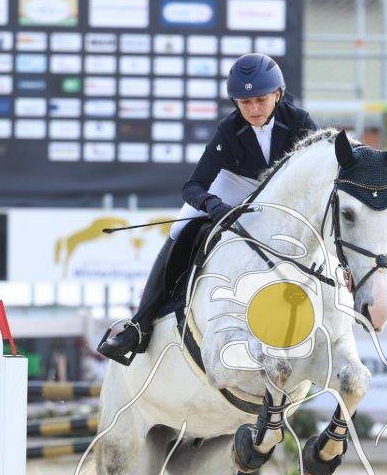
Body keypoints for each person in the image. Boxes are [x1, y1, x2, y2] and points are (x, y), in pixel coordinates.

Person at [97, 53, 319, 365]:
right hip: (237, 183)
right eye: (245, 102)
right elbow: (193, 186)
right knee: (180, 227)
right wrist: (212, 204)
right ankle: (140, 324)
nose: (253, 109)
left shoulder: (300, 123)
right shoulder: (229, 129)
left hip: (283, 191)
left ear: (278, 94)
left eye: (260, 100)